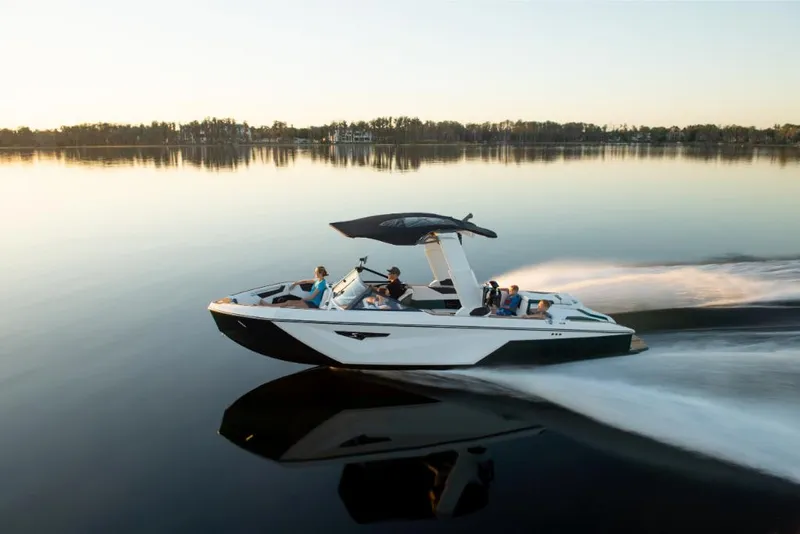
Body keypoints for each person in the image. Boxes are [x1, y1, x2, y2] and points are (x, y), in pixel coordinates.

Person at [261, 265, 329, 308]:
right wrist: (295, 283)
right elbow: (305, 281)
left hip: (313, 304)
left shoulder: (321, 284)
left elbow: (312, 297)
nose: (314, 273)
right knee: (289, 302)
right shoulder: (318, 280)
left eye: (316, 272)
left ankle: (268, 306)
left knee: (289, 304)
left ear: (320, 273)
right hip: (309, 301)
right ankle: (269, 306)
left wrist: (303, 299)